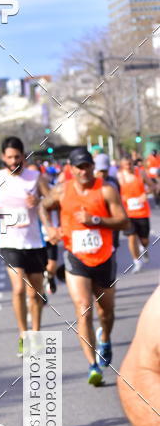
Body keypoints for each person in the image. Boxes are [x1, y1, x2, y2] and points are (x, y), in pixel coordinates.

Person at [40, 147, 129, 386]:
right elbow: (42, 207)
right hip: (75, 257)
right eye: (79, 167)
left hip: (104, 258)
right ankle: (93, 365)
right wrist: (49, 228)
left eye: (87, 166)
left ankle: (106, 339)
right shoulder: (61, 190)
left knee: (106, 312)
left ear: (92, 166)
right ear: (71, 168)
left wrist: (96, 220)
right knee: (83, 308)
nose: (84, 171)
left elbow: (123, 221)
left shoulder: (106, 189)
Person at [0, 136, 51, 356]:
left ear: (23, 156)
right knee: (18, 288)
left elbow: (52, 200)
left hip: (34, 242)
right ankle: (23, 334)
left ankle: (35, 333)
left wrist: (39, 202)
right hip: (9, 242)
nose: (13, 161)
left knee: (35, 293)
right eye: (9, 157)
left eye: (17, 157)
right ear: (3, 158)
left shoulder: (35, 177)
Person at [117, 284, 160, 426]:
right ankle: (31, 338)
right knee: (84, 307)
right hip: (81, 261)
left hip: (103, 264)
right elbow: (138, 372)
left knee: (106, 311)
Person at [117, 155, 152, 273]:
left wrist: (145, 194)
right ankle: (136, 261)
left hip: (142, 212)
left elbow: (152, 186)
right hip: (128, 213)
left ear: (133, 163)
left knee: (144, 240)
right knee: (131, 237)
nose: (129, 167)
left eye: (130, 164)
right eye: (126, 165)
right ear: (122, 166)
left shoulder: (141, 173)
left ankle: (143, 248)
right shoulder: (119, 176)